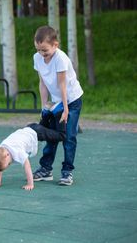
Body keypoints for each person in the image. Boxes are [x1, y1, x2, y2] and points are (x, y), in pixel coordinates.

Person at [32, 25, 84, 186]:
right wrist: (44, 107)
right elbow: (43, 83)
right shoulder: (37, 58)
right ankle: (45, 169)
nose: (42, 54)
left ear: (56, 45)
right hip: (55, 102)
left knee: (68, 136)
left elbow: (62, 85)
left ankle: (67, 172)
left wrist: (66, 110)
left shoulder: (61, 59)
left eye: (45, 50)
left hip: (71, 101)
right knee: (51, 135)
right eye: (38, 50)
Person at [0, 107, 66, 191]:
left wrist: (30, 184)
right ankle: (46, 112)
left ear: (7, 155)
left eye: (8, 164)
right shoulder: (1, 148)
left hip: (37, 133)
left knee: (61, 136)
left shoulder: (17, 152)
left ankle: (58, 113)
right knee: (45, 127)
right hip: (30, 128)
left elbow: (27, 166)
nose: (9, 164)